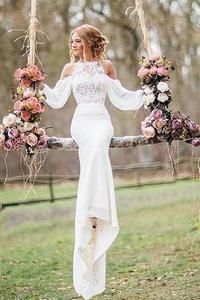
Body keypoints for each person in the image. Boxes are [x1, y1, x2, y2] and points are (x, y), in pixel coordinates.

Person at [41, 24, 144, 300]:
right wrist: (35, 83)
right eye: (71, 41)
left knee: (100, 147)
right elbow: (57, 99)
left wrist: (150, 89)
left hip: (102, 121)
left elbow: (121, 97)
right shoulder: (69, 69)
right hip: (81, 122)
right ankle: (91, 213)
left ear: (88, 41)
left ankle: (94, 211)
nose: (73, 44)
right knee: (93, 151)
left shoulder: (106, 67)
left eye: (77, 40)